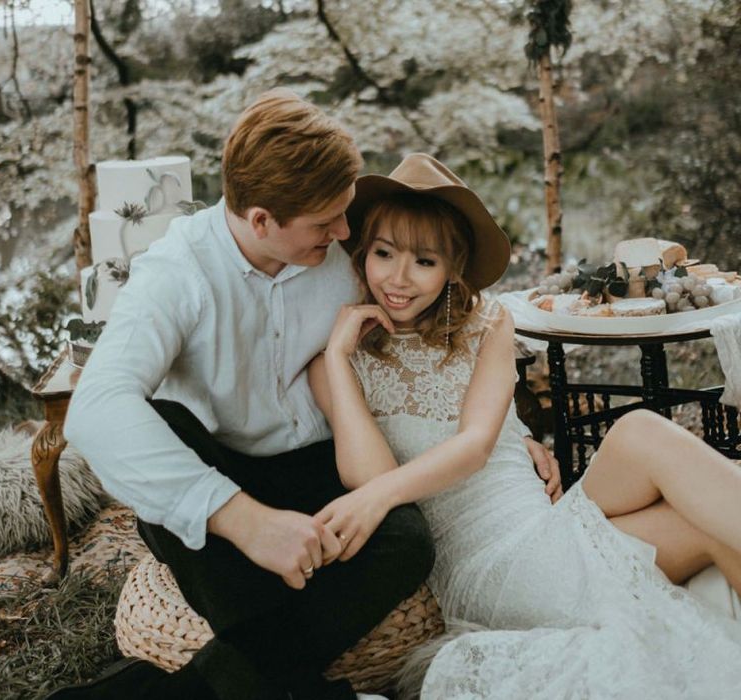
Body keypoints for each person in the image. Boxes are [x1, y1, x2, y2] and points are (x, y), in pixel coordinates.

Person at [51, 91, 558, 700]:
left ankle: (203, 687)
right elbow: (96, 407)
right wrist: (245, 521)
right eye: (327, 223)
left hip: (321, 466)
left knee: (406, 542)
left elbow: (439, 333)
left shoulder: (340, 251)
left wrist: (511, 436)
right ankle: (292, 683)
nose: (346, 232)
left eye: (345, 218)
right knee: (164, 428)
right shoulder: (175, 273)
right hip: (221, 466)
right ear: (262, 219)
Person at [307, 153, 741, 700]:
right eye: (384, 254)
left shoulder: (486, 323)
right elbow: (369, 476)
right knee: (651, 442)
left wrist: (523, 441)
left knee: (662, 461)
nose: (397, 278)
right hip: (492, 569)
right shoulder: (337, 360)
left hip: (549, 525)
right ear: (362, 253)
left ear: (451, 268)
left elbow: (474, 446)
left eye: (424, 261)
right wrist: (339, 359)